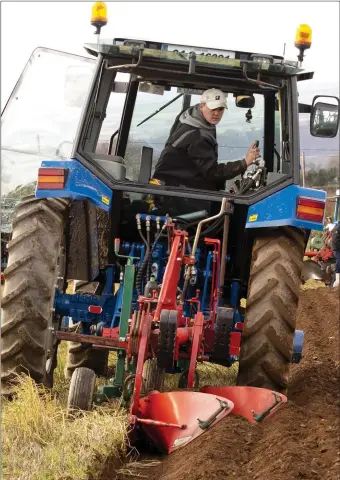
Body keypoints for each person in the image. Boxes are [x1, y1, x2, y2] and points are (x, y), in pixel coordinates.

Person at [153, 88, 260, 191]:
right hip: (175, 190)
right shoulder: (197, 136)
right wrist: (245, 162)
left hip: (168, 183)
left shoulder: (188, 116)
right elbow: (213, 173)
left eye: (220, 109)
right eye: (213, 108)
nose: (216, 113)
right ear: (201, 106)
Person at [332, 222, 340, 287]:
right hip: (338, 249)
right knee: (339, 262)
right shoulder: (338, 228)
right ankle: (336, 282)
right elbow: (335, 241)